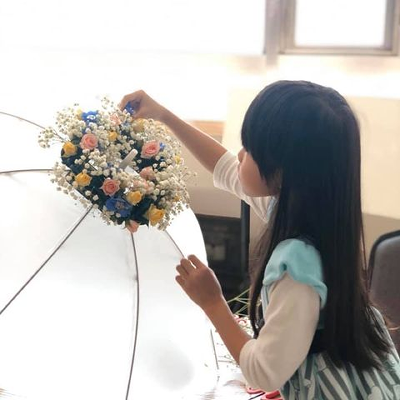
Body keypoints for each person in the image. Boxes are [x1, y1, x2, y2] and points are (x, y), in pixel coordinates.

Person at [119, 81, 400, 399]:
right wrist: (164, 116)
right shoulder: (319, 216)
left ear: (283, 171)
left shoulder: (297, 270)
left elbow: (263, 373)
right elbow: (227, 168)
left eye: (250, 149)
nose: (240, 154)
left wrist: (212, 302)